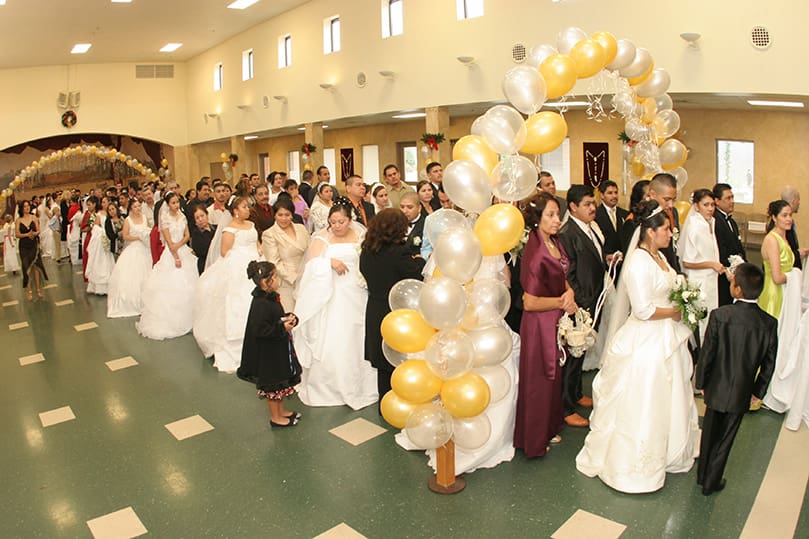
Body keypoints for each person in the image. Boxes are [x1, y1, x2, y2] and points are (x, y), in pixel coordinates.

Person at [576, 200, 700, 494]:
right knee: (647, 400)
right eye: (666, 229)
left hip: (667, 336)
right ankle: (637, 463)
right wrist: (677, 311)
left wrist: (681, 302)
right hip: (646, 341)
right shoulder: (639, 262)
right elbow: (643, 310)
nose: (670, 234)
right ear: (649, 232)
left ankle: (671, 449)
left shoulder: (661, 258)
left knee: (672, 395)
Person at [695, 263, 777, 496]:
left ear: (738, 289)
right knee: (726, 438)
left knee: (709, 432)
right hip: (742, 390)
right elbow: (769, 363)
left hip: (716, 387)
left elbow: (707, 353)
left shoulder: (720, 316)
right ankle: (712, 481)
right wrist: (757, 393)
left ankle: (702, 475)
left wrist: (701, 383)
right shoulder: (769, 323)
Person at [292, 202, 378, 410]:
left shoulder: (360, 235)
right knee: (335, 335)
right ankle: (330, 386)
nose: (337, 226)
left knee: (357, 334)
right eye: (333, 222)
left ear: (350, 220)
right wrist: (329, 263)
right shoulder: (322, 237)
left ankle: (362, 384)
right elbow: (311, 265)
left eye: (341, 222)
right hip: (330, 293)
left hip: (355, 291)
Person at [514, 193, 577, 458]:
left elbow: (562, 276)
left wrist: (570, 292)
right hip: (538, 322)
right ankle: (533, 440)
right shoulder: (536, 250)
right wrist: (561, 303)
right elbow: (529, 302)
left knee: (554, 378)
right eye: (550, 215)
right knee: (539, 380)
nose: (556, 219)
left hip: (554, 320)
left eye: (557, 214)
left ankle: (549, 427)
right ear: (537, 218)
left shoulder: (554, 241)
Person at [359, 208, 426, 401]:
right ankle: (402, 400)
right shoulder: (399, 252)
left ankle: (385, 402)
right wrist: (419, 260)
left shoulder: (366, 251)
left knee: (382, 361)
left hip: (374, 308)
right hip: (396, 311)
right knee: (399, 360)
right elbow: (416, 274)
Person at [193, 196, 262, 373]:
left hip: (256, 261)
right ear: (236, 211)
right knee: (238, 302)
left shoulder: (251, 225)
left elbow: (257, 243)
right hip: (238, 266)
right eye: (244, 207)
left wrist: (259, 252)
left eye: (248, 206)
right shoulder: (229, 229)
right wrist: (242, 259)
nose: (248, 209)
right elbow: (225, 251)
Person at [558, 185, 604, 428]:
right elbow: (569, 273)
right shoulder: (568, 233)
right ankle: (565, 406)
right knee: (572, 353)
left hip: (593, 299)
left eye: (592, 203)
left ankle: (576, 394)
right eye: (586, 204)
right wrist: (581, 302)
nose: (592, 208)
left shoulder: (590, 228)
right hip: (580, 303)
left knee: (581, 349)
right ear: (573, 207)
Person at [237, 260, 303, 427]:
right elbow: (260, 330)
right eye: (275, 276)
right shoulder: (261, 303)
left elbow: (273, 320)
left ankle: (281, 411)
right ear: (267, 281)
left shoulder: (269, 298)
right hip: (268, 355)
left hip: (276, 350)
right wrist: (282, 328)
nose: (278, 279)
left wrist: (286, 318)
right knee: (273, 387)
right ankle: (276, 417)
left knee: (280, 384)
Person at [137, 192, 198, 340]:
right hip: (171, 254)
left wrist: (180, 245)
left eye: (178, 202)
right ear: (167, 205)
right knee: (171, 286)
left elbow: (187, 235)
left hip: (183, 249)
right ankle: (173, 320)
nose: (176, 205)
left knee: (191, 284)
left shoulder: (182, 216)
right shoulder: (164, 218)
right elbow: (168, 241)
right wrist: (176, 255)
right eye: (173, 203)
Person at [678, 188, 723, 341]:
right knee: (702, 320)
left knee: (711, 317)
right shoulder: (695, 227)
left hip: (711, 279)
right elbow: (687, 261)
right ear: (696, 206)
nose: (710, 209)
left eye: (712, 205)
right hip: (699, 281)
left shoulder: (709, 223)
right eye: (706, 205)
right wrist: (711, 264)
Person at [262, 197, 310, 312]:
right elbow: (274, 262)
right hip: (286, 282)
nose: (284, 218)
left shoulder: (301, 228)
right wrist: (294, 278)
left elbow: (310, 250)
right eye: (280, 215)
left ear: (292, 215)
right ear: (275, 215)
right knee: (290, 316)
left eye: (287, 215)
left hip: (306, 278)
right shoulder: (269, 234)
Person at [107, 199, 153, 318]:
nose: (138, 209)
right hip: (134, 248)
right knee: (134, 275)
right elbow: (125, 235)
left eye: (139, 206)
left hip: (145, 249)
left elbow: (150, 231)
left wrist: (146, 237)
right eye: (135, 207)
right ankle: (133, 301)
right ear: (131, 208)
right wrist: (138, 237)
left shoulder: (144, 217)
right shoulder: (128, 220)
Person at [758, 200, 795, 319]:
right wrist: (796, 275)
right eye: (784, 215)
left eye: (790, 215)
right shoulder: (772, 240)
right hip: (774, 292)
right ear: (774, 217)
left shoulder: (784, 237)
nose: (789, 219)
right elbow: (777, 277)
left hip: (786, 291)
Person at [712, 183, 746, 306]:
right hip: (724, 274)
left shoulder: (731, 221)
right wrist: (730, 269)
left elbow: (738, 245)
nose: (732, 201)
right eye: (728, 198)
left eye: (732, 197)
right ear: (717, 201)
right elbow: (720, 248)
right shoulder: (715, 221)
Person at [16, 200, 48, 300]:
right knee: (26, 268)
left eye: (28, 206)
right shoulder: (18, 220)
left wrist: (34, 233)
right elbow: (17, 234)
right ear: (21, 208)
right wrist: (26, 234)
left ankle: (38, 289)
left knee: (36, 267)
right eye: (25, 206)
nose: (27, 208)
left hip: (34, 244)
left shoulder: (33, 217)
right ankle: (29, 290)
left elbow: (38, 230)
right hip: (24, 246)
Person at [594, 180, 628, 258]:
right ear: (602, 195)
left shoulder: (625, 214)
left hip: (623, 259)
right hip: (606, 260)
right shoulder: (595, 215)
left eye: (616, 193)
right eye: (610, 193)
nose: (614, 196)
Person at [781, 185, 806, 269]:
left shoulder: (787, 222)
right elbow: (782, 253)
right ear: (793, 201)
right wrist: (797, 254)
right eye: (798, 200)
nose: (799, 203)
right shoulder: (783, 225)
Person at [189, 204, 216, 275]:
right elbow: (202, 251)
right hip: (205, 265)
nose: (200, 219)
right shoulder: (196, 234)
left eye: (202, 216)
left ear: (207, 215)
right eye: (197, 218)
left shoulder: (216, 228)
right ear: (195, 221)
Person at [80, 196, 99, 281]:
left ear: (94, 204)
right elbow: (83, 229)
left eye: (89, 205)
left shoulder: (99, 213)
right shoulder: (87, 214)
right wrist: (91, 226)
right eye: (87, 205)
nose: (88, 207)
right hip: (90, 237)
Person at [400, 192, 424, 257]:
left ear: (419, 208)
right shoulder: (395, 224)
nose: (404, 211)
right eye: (402, 207)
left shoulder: (426, 225)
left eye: (409, 207)